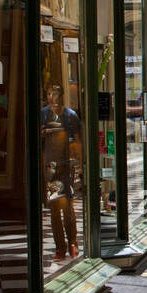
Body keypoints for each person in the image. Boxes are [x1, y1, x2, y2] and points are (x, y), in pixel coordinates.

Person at [41, 84, 83, 262]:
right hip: (51, 168)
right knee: (54, 208)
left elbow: (78, 141)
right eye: (49, 93)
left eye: (55, 93)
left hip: (67, 166)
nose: (52, 97)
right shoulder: (43, 114)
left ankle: (73, 242)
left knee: (67, 207)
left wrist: (80, 163)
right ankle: (60, 247)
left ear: (61, 96)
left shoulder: (70, 116)